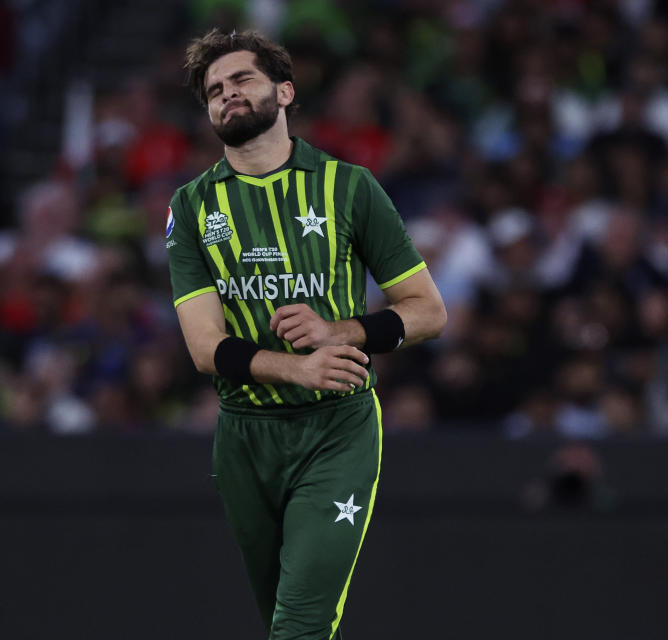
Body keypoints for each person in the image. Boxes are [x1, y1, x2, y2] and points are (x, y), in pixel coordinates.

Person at [167, 29, 446, 639]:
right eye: (214, 90)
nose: (226, 95)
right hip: (243, 436)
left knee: (299, 625)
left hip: (336, 427)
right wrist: (295, 365)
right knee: (288, 623)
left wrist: (340, 332)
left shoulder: (350, 187)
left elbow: (427, 310)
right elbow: (202, 346)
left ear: (285, 90)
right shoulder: (190, 207)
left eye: (241, 79)